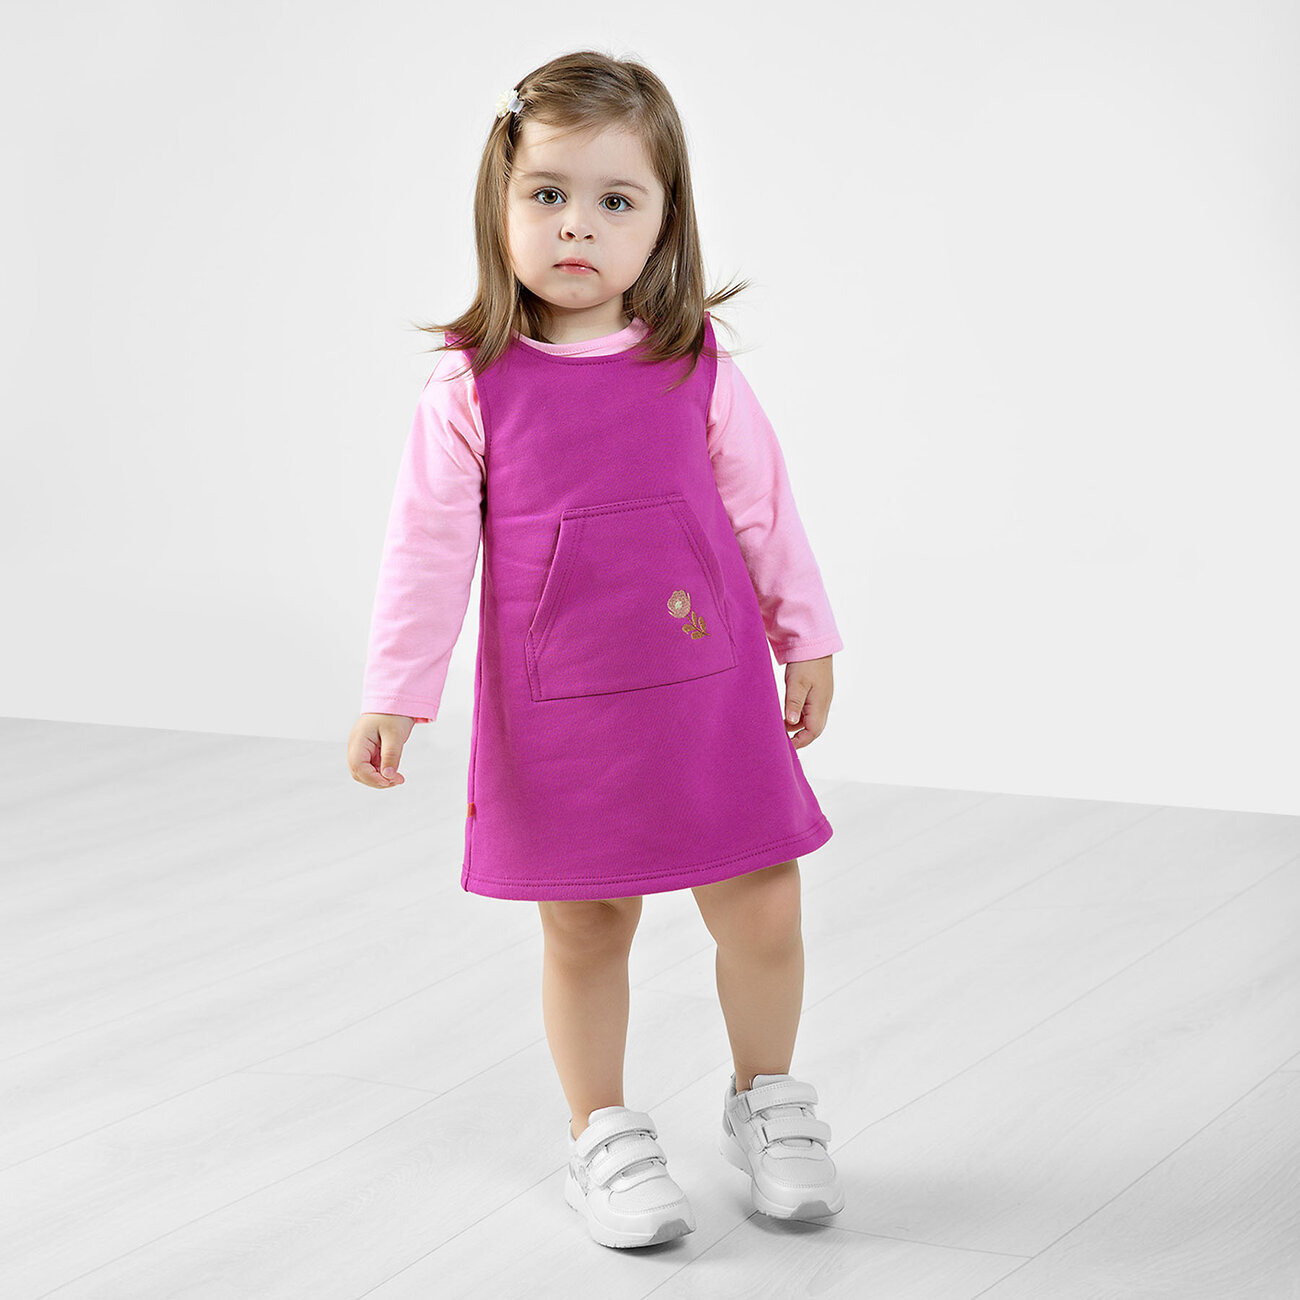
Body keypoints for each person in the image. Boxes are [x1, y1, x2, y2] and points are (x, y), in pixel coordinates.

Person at [346, 49, 847, 1249]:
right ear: (500, 204)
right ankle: (601, 1129)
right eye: (549, 193)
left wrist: (806, 636)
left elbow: (762, 511)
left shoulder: (693, 362)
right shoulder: (471, 385)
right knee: (585, 924)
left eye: (616, 199)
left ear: (664, 220)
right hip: (562, 714)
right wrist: (397, 692)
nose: (578, 224)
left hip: (709, 696)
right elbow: (425, 552)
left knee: (763, 902)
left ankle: (765, 1096)